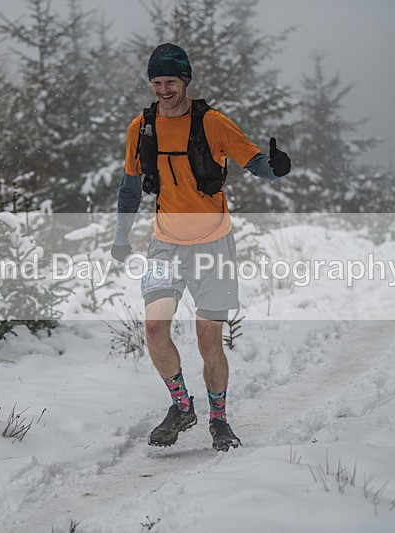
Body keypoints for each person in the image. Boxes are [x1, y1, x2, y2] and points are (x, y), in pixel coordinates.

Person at [110, 43, 291, 452]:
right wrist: (121, 238)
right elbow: (129, 188)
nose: (163, 89)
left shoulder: (213, 123)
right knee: (154, 329)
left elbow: (255, 162)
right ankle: (181, 406)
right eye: (156, 82)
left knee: (208, 341)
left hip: (213, 245)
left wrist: (276, 168)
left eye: (170, 81)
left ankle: (219, 419)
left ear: (185, 81)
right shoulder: (141, 128)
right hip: (164, 246)